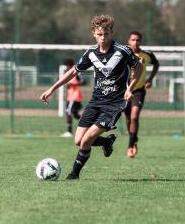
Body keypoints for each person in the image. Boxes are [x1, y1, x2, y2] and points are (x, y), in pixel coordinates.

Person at [40, 15, 143, 180]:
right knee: (78, 140)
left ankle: (74, 174)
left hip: (115, 103)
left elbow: (139, 68)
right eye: (100, 34)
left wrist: (130, 88)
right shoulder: (91, 53)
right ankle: (106, 142)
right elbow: (74, 71)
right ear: (94, 33)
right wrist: (52, 89)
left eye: (107, 34)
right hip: (96, 102)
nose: (103, 38)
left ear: (111, 32)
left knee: (87, 140)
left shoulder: (122, 50)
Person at [124, 31, 159, 158]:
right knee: (128, 119)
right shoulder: (123, 54)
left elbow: (156, 64)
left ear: (141, 41)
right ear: (128, 41)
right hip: (124, 91)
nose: (135, 42)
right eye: (133, 40)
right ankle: (134, 139)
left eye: (137, 40)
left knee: (134, 117)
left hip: (138, 90)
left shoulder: (147, 55)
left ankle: (130, 146)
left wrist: (150, 79)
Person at [61, 59, 85, 138]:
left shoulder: (76, 72)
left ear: (70, 65)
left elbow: (83, 81)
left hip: (74, 97)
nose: (66, 67)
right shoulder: (67, 73)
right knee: (75, 114)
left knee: (68, 112)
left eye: (67, 65)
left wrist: (74, 83)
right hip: (70, 97)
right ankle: (86, 125)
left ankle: (69, 131)